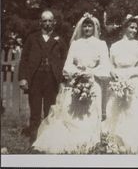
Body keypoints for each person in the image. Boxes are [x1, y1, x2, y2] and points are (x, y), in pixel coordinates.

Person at [31, 12, 110, 154]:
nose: (87, 29)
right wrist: (77, 72)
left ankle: (89, 141)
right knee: (72, 114)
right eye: (84, 26)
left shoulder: (101, 44)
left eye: (89, 26)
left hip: (92, 83)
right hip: (76, 82)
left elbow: (105, 67)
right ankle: (71, 139)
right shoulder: (75, 44)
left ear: (95, 28)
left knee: (90, 114)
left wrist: (90, 72)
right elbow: (67, 66)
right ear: (81, 27)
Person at [102, 14, 138, 154]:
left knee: (134, 112)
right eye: (131, 27)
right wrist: (113, 73)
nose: (134, 30)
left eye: (136, 28)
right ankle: (115, 143)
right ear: (124, 28)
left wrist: (127, 74)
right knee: (116, 112)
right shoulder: (115, 46)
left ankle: (134, 143)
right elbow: (109, 65)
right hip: (117, 84)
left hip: (133, 83)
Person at [18, 10, 67, 140]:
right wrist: (23, 78)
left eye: (50, 20)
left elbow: (64, 60)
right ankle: (34, 136)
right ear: (40, 22)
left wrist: (63, 78)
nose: (47, 23)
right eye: (44, 20)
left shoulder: (60, 40)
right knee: (35, 109)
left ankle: (46, 138)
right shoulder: (32, 38)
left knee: (49, 109)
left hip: (52, 79)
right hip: (35, 78)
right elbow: (24, 59)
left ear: (54, 23)